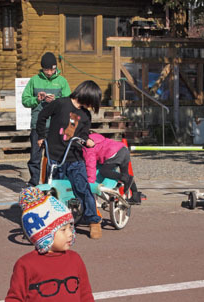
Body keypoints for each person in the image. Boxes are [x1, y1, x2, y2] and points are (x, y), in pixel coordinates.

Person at [36, 80, 103, 239]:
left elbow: (84, 134)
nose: (91, 106)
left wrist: (87, 140)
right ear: (86, 95)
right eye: (92, 101)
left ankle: (93, 221)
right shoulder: (60, 104)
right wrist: (41, 136)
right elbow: (42, 116)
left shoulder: (85, 115)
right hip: (54, 156)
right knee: (53, 192)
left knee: (82, 188)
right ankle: (54, 221)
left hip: (74, 157)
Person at [22, 52, 71, 186]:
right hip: (38, 124)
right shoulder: (34, 80)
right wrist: (37, 99)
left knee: (52, 156)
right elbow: (25, 101)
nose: (49, 72)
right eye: (46, 69)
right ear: (42, 68)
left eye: (52, 69)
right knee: (35, 156)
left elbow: (69, 101)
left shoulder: (62, 81)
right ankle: (34, 182)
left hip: (56, 125)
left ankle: (50, 182)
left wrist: (57, 101)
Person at [83, 133, 146, 205]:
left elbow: (91, 166)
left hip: (114, 153)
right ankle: (135, 196)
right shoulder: (95, 137)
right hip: (123, 149)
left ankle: (124, 178)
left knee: (104, 171)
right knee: (126, 176)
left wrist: (90, 183)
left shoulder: (87, 149)